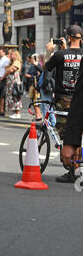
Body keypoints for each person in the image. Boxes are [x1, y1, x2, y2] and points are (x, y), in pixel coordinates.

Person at [45, 25, 83, 183]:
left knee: (66, 135)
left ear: (68, 37)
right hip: (78, 97)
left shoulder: (60, 54)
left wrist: (49, 51)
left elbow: (46, 67)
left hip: (64, 99)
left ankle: (72, 170)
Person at [5, 50, 23, 119]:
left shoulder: (17, 62)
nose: (12, 56)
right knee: (12, 97)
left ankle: (18, 113)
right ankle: (15, 113)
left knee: (15, 97)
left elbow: (11, 70)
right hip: (11, 82)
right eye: (12, 55)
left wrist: (8, 69)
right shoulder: (12, 62)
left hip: (14, 82)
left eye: (14, 55)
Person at [25, 53, 43, 121]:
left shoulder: (37, 66)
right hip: (32, 85)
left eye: (32, 58)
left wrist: (30, 76)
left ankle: (38, 115)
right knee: (33, 101)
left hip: (36, 86)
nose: (31, 60)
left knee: (36, 101)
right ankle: (37, 115)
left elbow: (39, 75)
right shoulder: (32, 66)